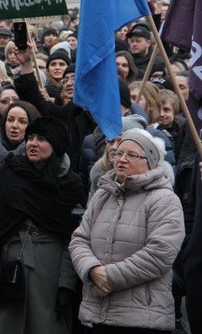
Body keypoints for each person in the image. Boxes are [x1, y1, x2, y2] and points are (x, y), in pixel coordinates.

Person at [0, 116, 86, 333]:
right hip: (5, 270)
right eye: (30, 137)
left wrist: (66, 285)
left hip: (48, 275)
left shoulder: (70, 185)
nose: (33, 143)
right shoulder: (11, 172)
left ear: (57, 145)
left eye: (41, 139)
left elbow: (73, 238)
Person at [70, 129, 185, 333]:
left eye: (132, 155)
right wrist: (91, 270)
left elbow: (160, 254)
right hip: (96, 315)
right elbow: (79, 239)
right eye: (118, 154)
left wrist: (108, 277)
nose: (121, 160)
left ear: (149, 161)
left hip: (142, 320)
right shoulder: (102, 195)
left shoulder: (164, 199)